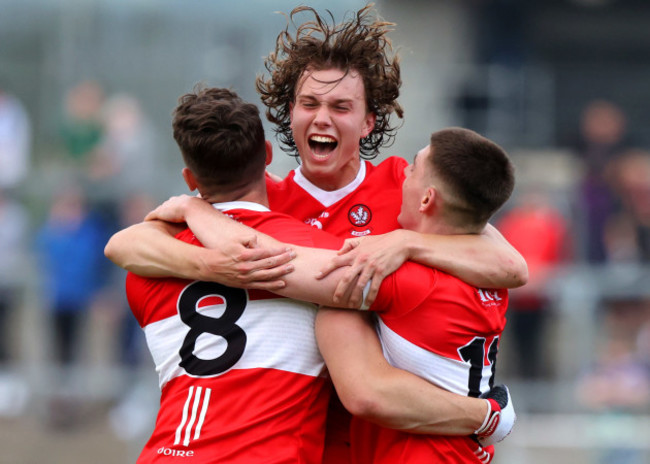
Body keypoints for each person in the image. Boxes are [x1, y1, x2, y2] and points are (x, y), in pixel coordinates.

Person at [105, 5, 527, 462]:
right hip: (300, 446)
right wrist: (206, 249)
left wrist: (405, 241)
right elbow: (128, 243)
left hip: (395, 436)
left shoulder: (405, 190)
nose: (322, 117)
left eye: (340, 106)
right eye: (310, 104)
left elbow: (509, 265)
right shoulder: (261, 203)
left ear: (368, 122)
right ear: (290, 115)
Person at [315, 127, 514, 463]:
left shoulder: (411, 281)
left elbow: (293, 270)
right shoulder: (489, 277)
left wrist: (204, 231)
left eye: (413, 167)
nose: (402, 175)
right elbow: (514, 264)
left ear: (427, 199)